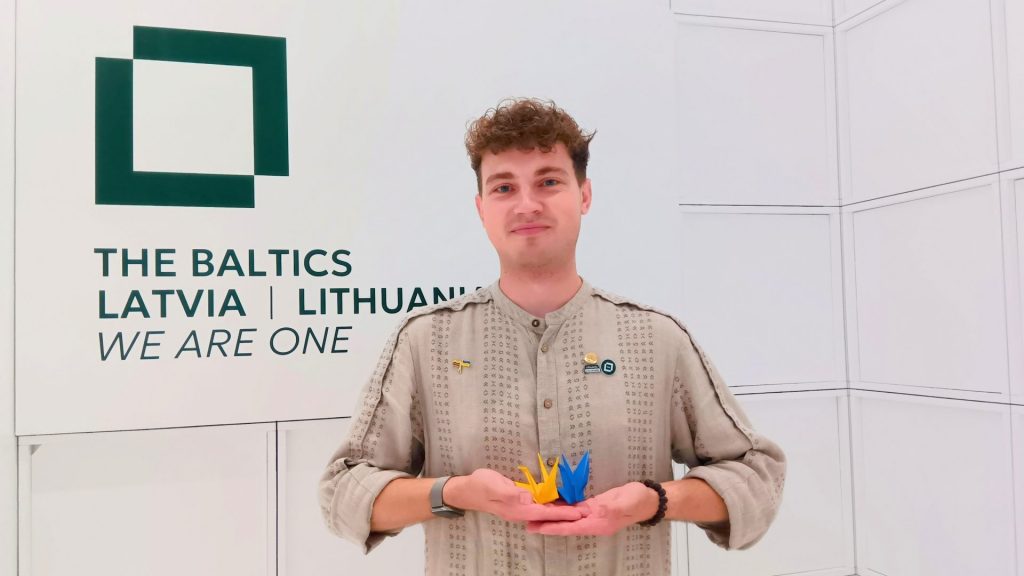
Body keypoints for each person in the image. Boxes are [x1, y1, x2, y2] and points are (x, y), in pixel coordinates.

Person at [319, 98, 786, 575]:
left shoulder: (657, 339)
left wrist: (653, 500)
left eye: (548, 181)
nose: (527, 204)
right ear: (481, 208)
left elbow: (756, 480)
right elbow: (343, 495)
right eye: (504, 187)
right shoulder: (425, 341)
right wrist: (453, 492)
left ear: (584, 195)